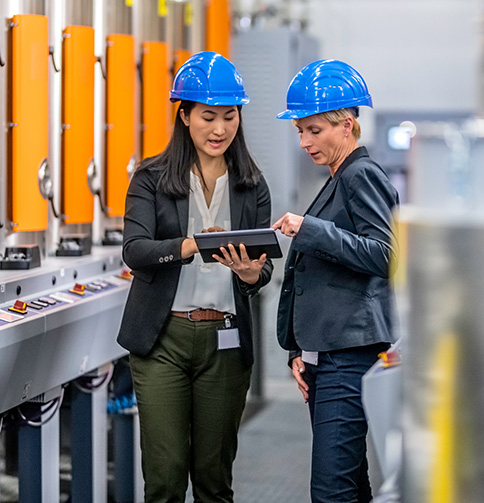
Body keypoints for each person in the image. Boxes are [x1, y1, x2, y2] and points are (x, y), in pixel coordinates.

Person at [117, 51, 273, 503]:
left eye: (230, 117)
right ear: (184, 116)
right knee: (165, 477)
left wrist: (250, 274)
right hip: (162, 339)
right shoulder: (151, 177)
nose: (220, 129)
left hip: (224, 340)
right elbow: (135, 250)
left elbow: (258, 273)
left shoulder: (251, 184)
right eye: (208, 117)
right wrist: (188, 246)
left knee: (213, 478)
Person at [273, 59, 399, 503]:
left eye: (314, 130)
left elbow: (385, 255)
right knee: (350, 484)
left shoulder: (361, 175)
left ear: (346, 125)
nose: (304, 142)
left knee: (331, 491)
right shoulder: (338, 178)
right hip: (328, 357)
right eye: (300, 131)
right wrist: (299, 351)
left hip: (350, 357)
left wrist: (309, 228)